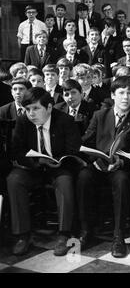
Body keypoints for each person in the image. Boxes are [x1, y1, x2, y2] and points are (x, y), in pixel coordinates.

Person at [7, 87, 81, 256]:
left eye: (36, 108)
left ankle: (63, 234)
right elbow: (16, 151)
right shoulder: (23, 121)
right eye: (27, 109)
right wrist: (36, 161)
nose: (31, 113)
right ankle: (22, 235)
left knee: (65, 182)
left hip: (58, 168)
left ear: (48, 107)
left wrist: (59, 160)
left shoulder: (65, 120)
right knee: (14, 180)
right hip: (33, 168)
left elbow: (73, 150)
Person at [77, 76, 130, 257]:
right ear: (113, 95)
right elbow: (86, 142)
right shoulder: (100, 115)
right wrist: (95, 160)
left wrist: (121, 161)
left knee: (122, 181)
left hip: (121, 166)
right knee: (83, 177)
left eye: (129, 93)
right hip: (99, 164)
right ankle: (86, 231)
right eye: (121, 93)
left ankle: (119, 235)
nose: (125, 97)